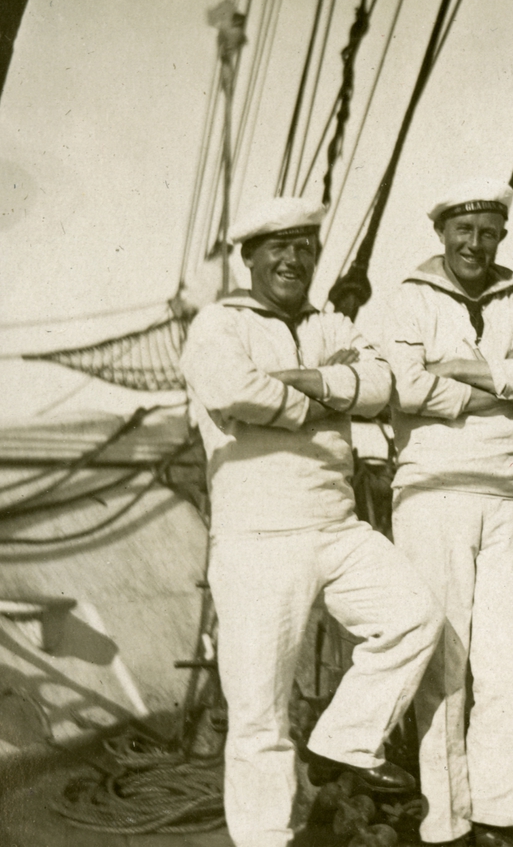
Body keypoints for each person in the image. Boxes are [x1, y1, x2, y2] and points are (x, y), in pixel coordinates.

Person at [180, 197, 443, 847]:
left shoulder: (330, 324)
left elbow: (380, 385)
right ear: (250, 257)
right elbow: (232, 390)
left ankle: (343, 741)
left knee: (414, 616)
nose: (293, 259)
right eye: (279, 247)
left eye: (304, 247)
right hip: (258, 537)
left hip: (337, 525)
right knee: (259, 712)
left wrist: (297, 384)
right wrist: (329, 396)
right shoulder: (219, 324)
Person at [369, 178, 513, 847]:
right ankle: (445, 823)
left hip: (507, 496)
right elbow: (407, 387)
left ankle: (494, 819)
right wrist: (504, 382)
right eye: (464, 232)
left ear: (501, 236)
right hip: (433, 495)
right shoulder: (409, 299)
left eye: (488, 233)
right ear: (442, 233)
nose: (476, 244)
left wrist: (463, 370)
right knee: (443, 667)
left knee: (512, 661)